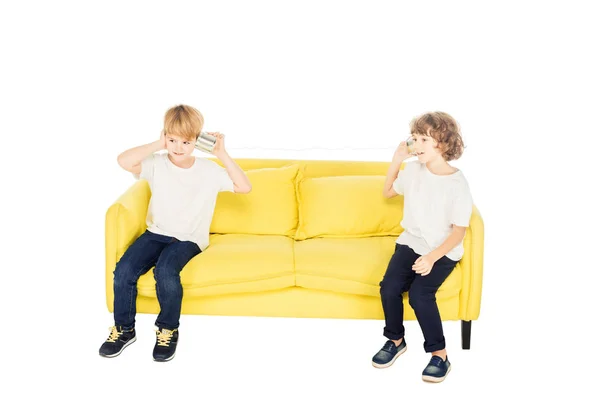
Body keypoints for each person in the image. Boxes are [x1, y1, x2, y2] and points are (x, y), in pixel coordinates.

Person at [99, 104, 252, 362]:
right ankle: (124, 329)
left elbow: (244, 186)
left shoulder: (209, 170)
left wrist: (221, 153)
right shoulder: (156, 163)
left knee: (166, 271)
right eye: (172, 140)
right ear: (164, 137)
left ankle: (168, 329)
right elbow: (123, 161)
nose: (178, 147)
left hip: (188, 238)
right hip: (156, 233)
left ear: (196, 141)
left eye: (185, 141)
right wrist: (157, 144)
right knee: (124, 270)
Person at [372, 111, 473, 383]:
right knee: (389, 287)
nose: (416, 144)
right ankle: (395, 340)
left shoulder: (456, 183)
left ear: (442, 143)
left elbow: (458, 233)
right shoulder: (413, 169)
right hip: (411, 242)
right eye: (414, 138)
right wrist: (396, 160)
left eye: (423, 139)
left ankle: (439, 355)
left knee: (419, 295)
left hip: (442, 249)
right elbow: (389, 192)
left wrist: (431, 257)